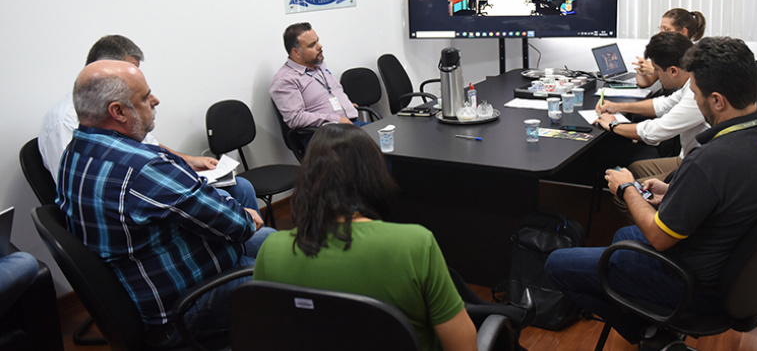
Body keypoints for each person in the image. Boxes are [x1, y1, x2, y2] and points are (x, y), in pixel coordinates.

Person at [545, 37, 757, 349]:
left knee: (556, 264)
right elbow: (736, 198)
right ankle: (650, 323)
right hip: (736, 270)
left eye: (695, 95)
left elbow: (659, 237)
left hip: (695, 286)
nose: (694, 100)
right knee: (624, 233)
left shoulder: (711, 160)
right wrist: (673, 193)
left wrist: (626, 189)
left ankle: (647, 334)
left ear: (717, 100)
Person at [57, 60, 273, 347]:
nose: (155, 100)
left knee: (273, 242)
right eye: (145, 97)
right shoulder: (142, 167)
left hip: (147, 277)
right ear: (118, 112)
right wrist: (243, 216)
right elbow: (239, 225)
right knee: (294, 277)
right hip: (182, 307)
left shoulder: (75, 152)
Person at [254, 124, 477, 351]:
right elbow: (464, 347)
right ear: (374, 175)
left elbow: (264, 335)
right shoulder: (413, 245)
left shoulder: (271, 251)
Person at [38, 35, 257, 209]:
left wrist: (189, 161)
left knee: (240, 188)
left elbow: (149, 145)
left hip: (147, 188)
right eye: (128, 75)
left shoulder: (115, 111)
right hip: (132, 205)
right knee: (228, 207)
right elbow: (86, 194)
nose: (154, 101)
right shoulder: (64, 123)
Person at [594, 32, 708, 183]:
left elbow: (654, 131)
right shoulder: (692, 81)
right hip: (688, 157)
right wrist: (615, 106)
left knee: (629, 189)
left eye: (657, 69)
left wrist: (613, 125)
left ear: (673, 71)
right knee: (635, 169)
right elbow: (662, 105)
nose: (654, 74)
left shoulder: (697, 93)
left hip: (701, 167)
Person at [269, 23, 364, 130]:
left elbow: (326, 96)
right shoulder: (284, 80)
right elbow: (295, 118)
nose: (320, 46)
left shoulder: (318, 64)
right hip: (325, 134)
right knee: (376, 143)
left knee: (384, 135)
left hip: (352, 124)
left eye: (317, 41)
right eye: (312, 45)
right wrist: (337, 119)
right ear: (296, 52)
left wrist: (345, 105)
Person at [634, 8, 707, 88]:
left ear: (683, 32)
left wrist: (658, 70)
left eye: (666, 29)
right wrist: (642, 70)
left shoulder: (696, 56)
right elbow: (646, 82)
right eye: (661, 28)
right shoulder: (666, 51)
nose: (661, 32)